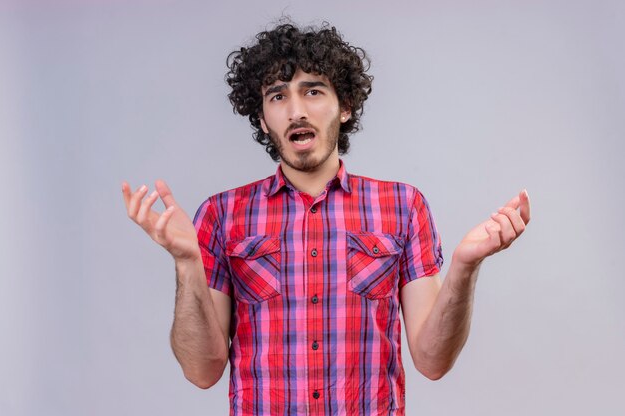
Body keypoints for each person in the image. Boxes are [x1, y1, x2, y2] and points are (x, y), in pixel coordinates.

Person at [122, 22, 530, 416]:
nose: (296, 111)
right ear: (263, 119)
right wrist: (186, 262)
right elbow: (201, 371)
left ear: (346, 107)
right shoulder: (221, 215)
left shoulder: (403, 206)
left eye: (312, 91)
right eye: (278, 96)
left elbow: (432, 361)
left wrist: (465, 265)